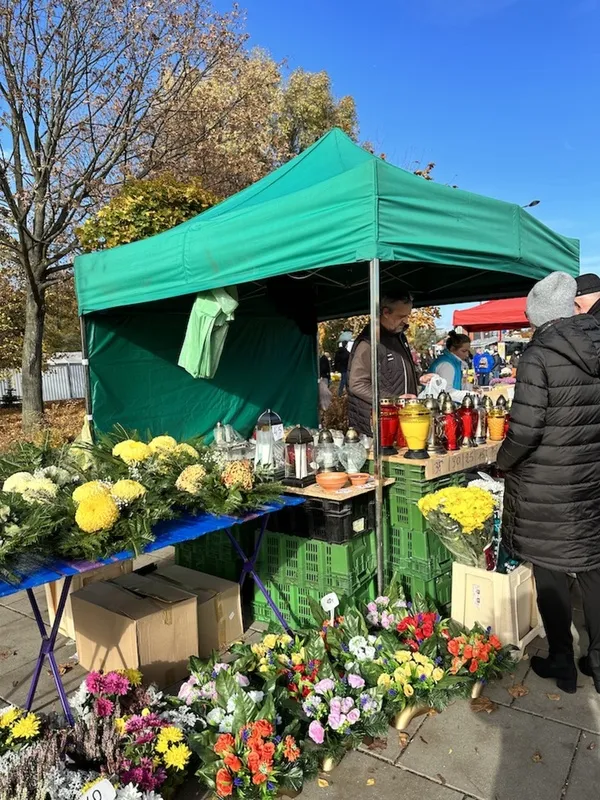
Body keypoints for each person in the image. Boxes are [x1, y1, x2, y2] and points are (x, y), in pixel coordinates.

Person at [497, 271, 600, 695]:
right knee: (594, 571)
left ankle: (562, 661)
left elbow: (524, 430)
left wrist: (502, 463)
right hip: (590, 478)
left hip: (546, 486)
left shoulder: (538, 355)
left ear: (541, 316)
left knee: (552, 575)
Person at [347, 291, 432, 436]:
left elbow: (396, 370)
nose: (406, 321)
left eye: (407, 316)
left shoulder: (399, 337)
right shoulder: (369, 342)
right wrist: (394, 400)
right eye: (401, 316)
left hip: (399, 419)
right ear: (385, 312)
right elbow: (357, 384)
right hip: (378, 424)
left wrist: (419, 377)